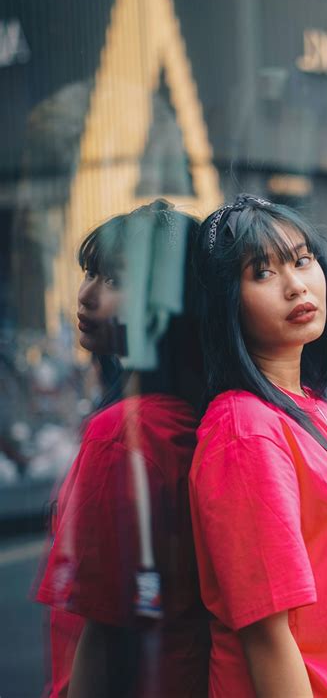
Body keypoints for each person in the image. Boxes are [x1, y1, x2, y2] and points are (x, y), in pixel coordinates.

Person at [189, 194, 327, 697]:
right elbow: (268, 636)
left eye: (301, 260)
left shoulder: (317, 407)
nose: (295, 286)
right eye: (261, 273)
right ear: (226, 301)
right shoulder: (244, 432)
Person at [34, 201, 209, 697]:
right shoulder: (193, 414)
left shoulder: (123, 434)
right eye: (90, 273)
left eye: (113, 281)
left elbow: (103, 631)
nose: (85, 296)